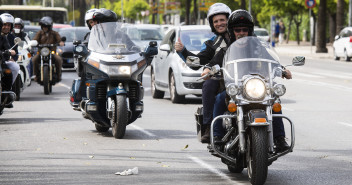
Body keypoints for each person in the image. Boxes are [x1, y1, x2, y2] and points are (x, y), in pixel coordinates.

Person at [204, 9, 291, 152]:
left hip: (256, 86)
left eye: (245, 29)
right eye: (237, 30)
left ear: (249, 30)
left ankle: (279, 138)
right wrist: (208, 70)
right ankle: (217, 137)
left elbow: (271, 60)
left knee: (275, 101)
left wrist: (282, 70)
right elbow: (213, 62)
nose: (241, 33)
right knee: (219, 99)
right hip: (236, 88)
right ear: (232, 31)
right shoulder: (227, 49)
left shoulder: (258, 47)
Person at [175, 3, 232, 143]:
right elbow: (197, 62)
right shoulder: (212, 43)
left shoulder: (241, 36)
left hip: (244, 79)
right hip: (221, 80)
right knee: (208, 84)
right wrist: (183, 51)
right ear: (212, 24)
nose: (220, 23)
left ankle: (277, 136)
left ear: (229, 20)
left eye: (222, 20)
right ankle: (208, 126)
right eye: (216, 21)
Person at [32, 16, 64, 82]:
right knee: (34, 59)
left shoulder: (54, 33)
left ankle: (58, 75)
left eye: (46, 26)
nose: (44, 28)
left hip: (52, 52)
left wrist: (60, 42)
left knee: (58, 59)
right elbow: (35, 40)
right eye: (43, 26)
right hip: (41, 52)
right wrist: (33, 43)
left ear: (50, 27)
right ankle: (36, 75)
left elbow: (59, 39)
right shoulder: (39, 33)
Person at [0, 13, 20, 85]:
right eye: (4, 25)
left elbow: (14, 52)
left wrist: (13, 57)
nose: (6, 27)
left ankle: (8, 87)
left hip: (4, 61)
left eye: (9, 25)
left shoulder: (12, 38)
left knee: (15, 67)